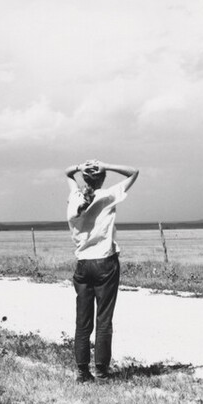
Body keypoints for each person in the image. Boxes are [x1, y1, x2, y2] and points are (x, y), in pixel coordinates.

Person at [65, 158, 139, 383]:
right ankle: (102, 372)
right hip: (105, 262)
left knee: (82, 322)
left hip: (83, 264)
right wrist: (107, 165)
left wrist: (80, 167)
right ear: (102, 178)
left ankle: (82, 372)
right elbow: (133, 171)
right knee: (104, 320)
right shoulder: (108, 195)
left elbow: (67, 174)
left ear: (84, 179)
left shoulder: (75, 198)